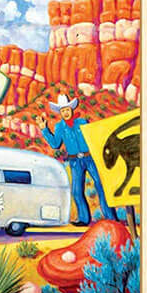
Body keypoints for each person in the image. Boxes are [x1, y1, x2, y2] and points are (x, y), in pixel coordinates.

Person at [42, 94, 112, 225]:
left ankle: (110, 217)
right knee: (76, 191)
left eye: (67, 109)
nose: (65, 112)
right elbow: (55, 144)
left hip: (89, 157)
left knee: (100, 184)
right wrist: (44, 130)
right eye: (63, 110)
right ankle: (84, 219)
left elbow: (93, 137)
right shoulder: (59, 127)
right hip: (75, 162)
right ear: (60, 113)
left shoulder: (82, 122)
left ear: (71, 109)